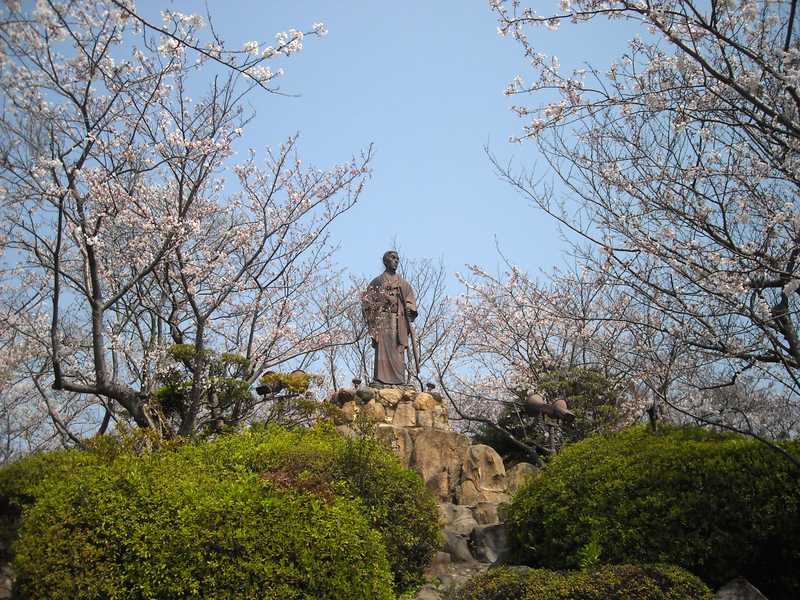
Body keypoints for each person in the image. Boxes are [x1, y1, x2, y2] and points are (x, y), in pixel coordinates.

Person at [362, 250, 417, 386]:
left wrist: (409, 308)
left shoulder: (403, 283)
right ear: (385, 261)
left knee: (398, 349)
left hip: (399, 321)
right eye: (393, 258)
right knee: (382, 349)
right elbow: (366, 301)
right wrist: (379, 305)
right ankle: (380, 379)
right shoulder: (377, 282)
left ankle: (399, 380)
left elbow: (410, 298)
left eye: (398, 259)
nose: (396, 261)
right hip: (383, 320)